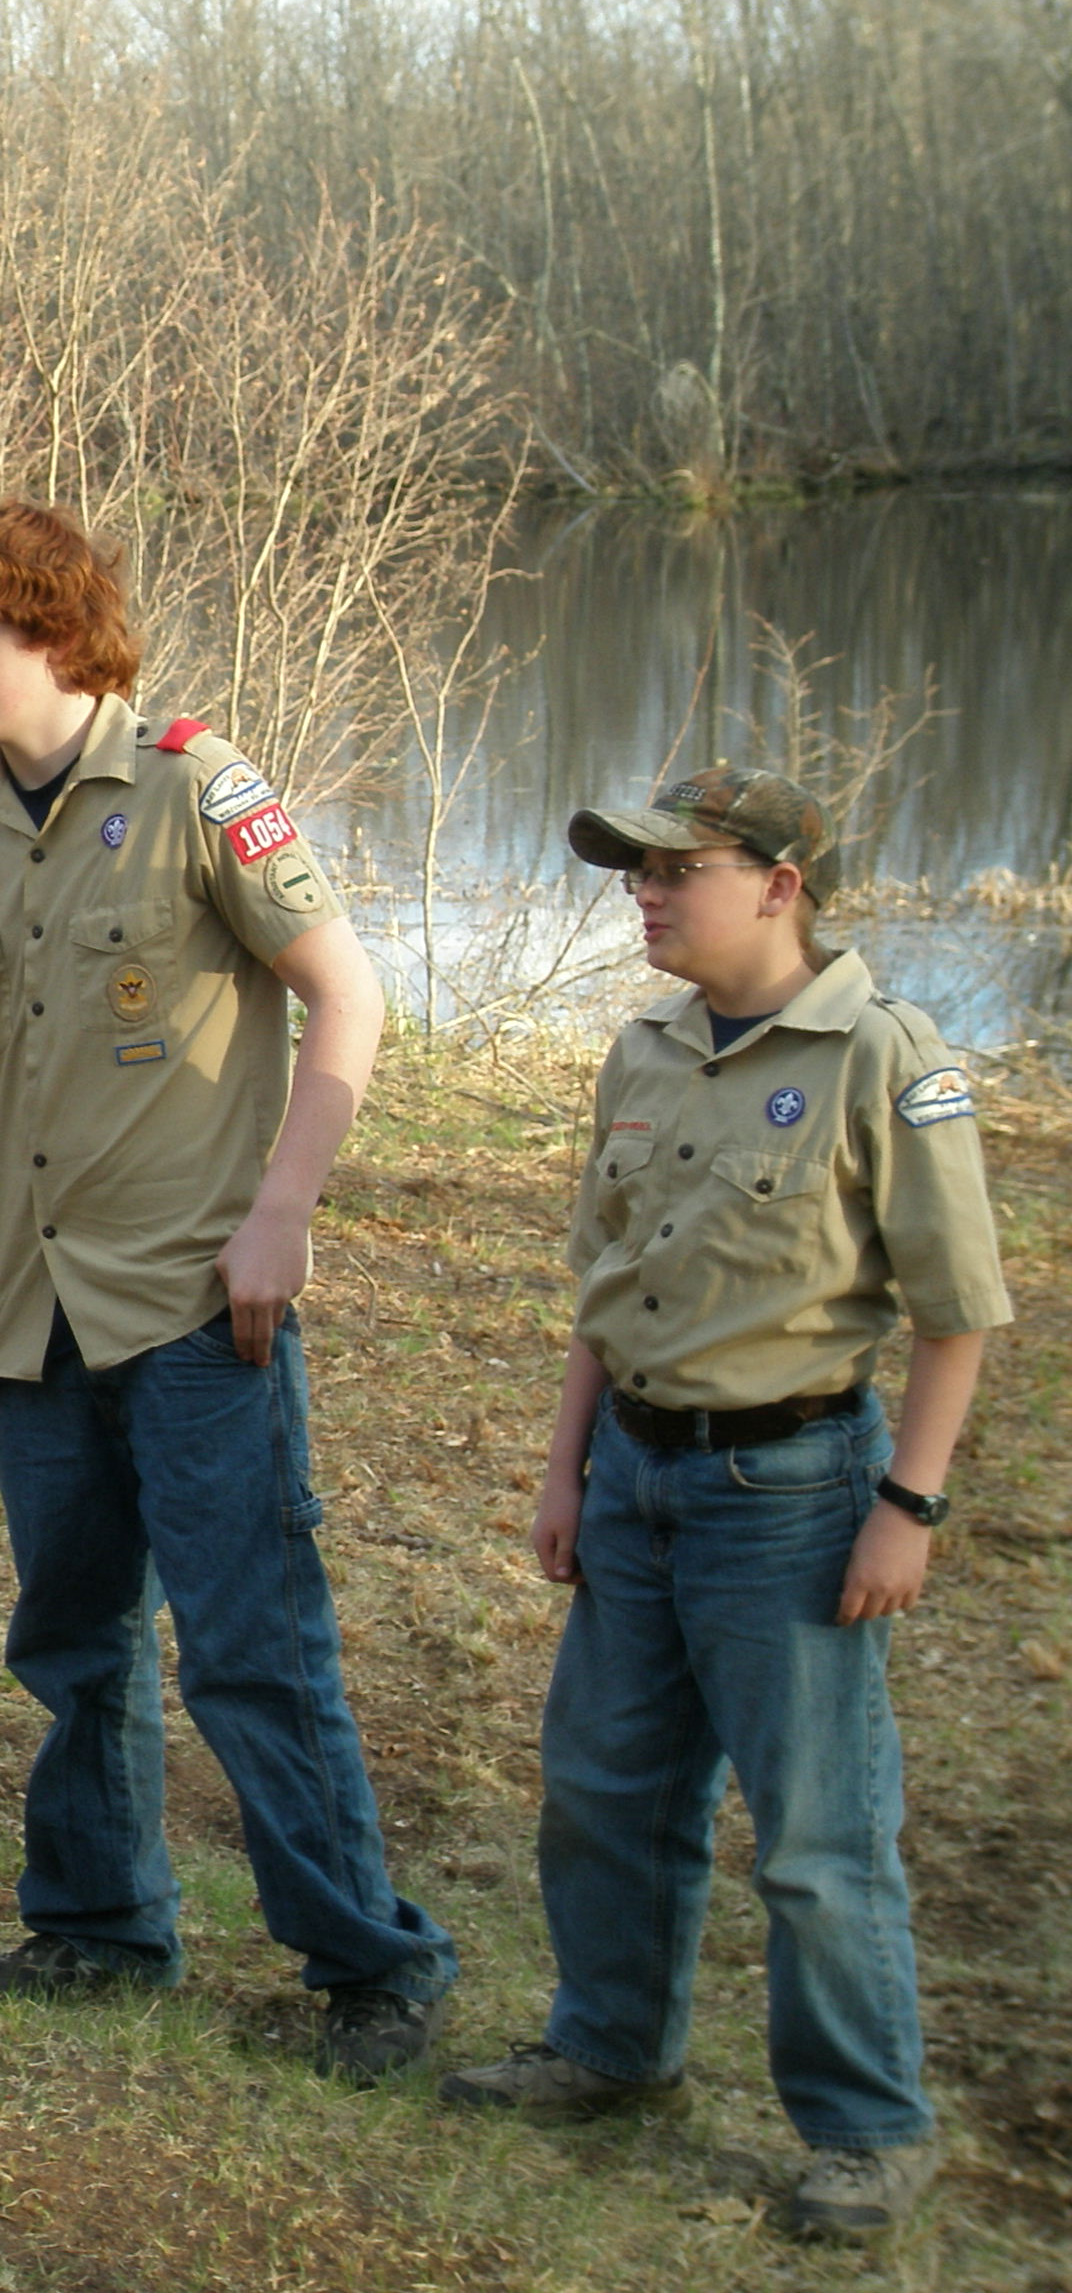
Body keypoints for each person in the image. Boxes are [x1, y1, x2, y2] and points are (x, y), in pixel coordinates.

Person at [0, 501, 457, 2078]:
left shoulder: (198, 787)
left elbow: (348, 996)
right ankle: (99, 1927)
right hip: (40, 1317)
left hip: (201, 1308)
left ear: (57, 633)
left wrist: (283, 1213)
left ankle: (371, 1967)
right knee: (72, 1642)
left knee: (251, 1649)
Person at [437, 767, 1006, 2243]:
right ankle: (611, 2047)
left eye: (675, 870)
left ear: (779, 884)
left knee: (816, 1835)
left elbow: (956, 1313)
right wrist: (566, 1470)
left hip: (792, 1494)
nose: (646, 894)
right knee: (606, 1789)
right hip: (636, 1477)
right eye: (636, 872)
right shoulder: (647, 1050)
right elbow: (605, 1284)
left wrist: (909, 1505)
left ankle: (869, 2129)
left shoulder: (882, 1055)